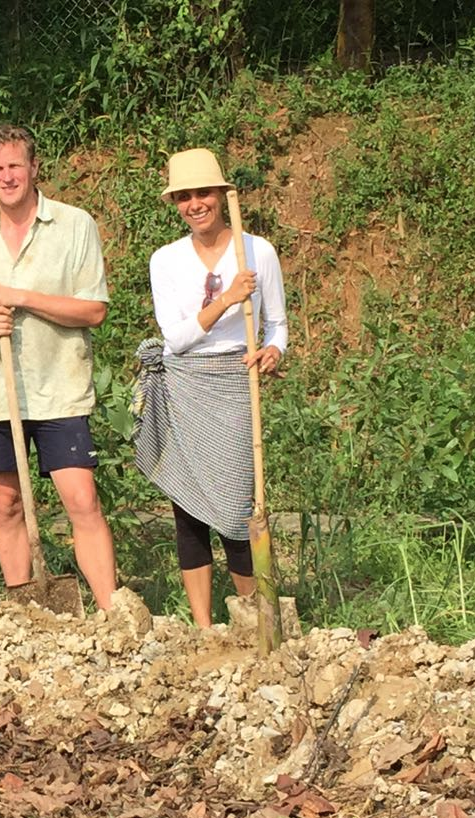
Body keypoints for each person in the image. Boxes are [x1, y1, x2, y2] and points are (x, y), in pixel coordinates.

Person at [0, 124, 116, 611]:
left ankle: (109, 611)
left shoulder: (75, 225)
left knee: (81, 500)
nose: (7, 176)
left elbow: (92, 311)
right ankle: (26, 612)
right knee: (6, 503)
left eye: (16, 165)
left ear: (34, 167)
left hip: (61, 387)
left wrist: (20, 298)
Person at [134, 148, 288, 628]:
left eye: (203, 193)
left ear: (222, 196)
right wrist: (227, 299)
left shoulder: (256, 251)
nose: (194, 204)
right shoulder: (166, 260)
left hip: (237, 383)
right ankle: (202, 627)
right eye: (183, 197)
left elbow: (278, 325)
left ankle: (255, 620)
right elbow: (175, 337)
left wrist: (273, 352)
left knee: (240, 505)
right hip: (186, 384)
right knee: (189, 506)